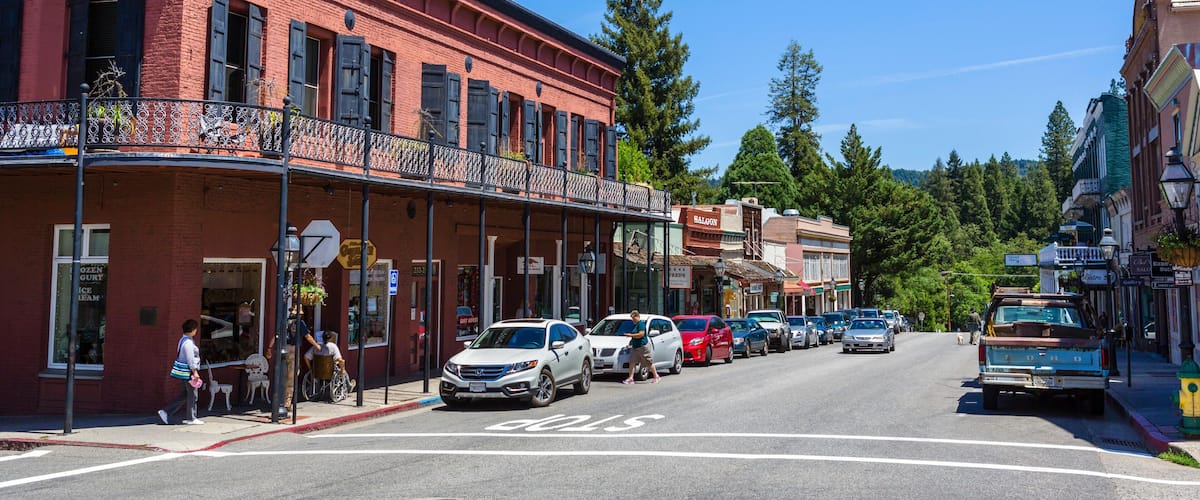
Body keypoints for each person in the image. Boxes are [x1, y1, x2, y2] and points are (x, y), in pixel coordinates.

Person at [266, 311, 312, 417]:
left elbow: (276, 336)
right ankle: (286, 402)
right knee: (291, 376)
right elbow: (308, 336)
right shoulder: (300, 323)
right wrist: (317, 346)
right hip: (292, 350)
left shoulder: (284, 322)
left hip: (283, 349)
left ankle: (279, 399)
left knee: (282, 375)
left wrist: (269, 348)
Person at [158, 319, 203, 425]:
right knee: (192, 394)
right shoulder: (188, 342)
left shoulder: (183, 340)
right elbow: (190, 358)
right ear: (192, 329)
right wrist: (195, 372)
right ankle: (191, 418)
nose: (196, 330)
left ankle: (166, 411)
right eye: (195, 328)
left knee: (185, 394)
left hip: (184, 372)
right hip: (188, 372)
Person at [622, 310, 660, 385]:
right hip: (635, 347)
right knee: (632, 362)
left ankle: (656, 376)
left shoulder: (641, 324)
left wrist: (630, 335)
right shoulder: (635, 325)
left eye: (633, 318)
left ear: (637, 316)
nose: (632, 320)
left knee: (648, 362)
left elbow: (641, 334)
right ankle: (630, 378)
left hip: (642, 346)